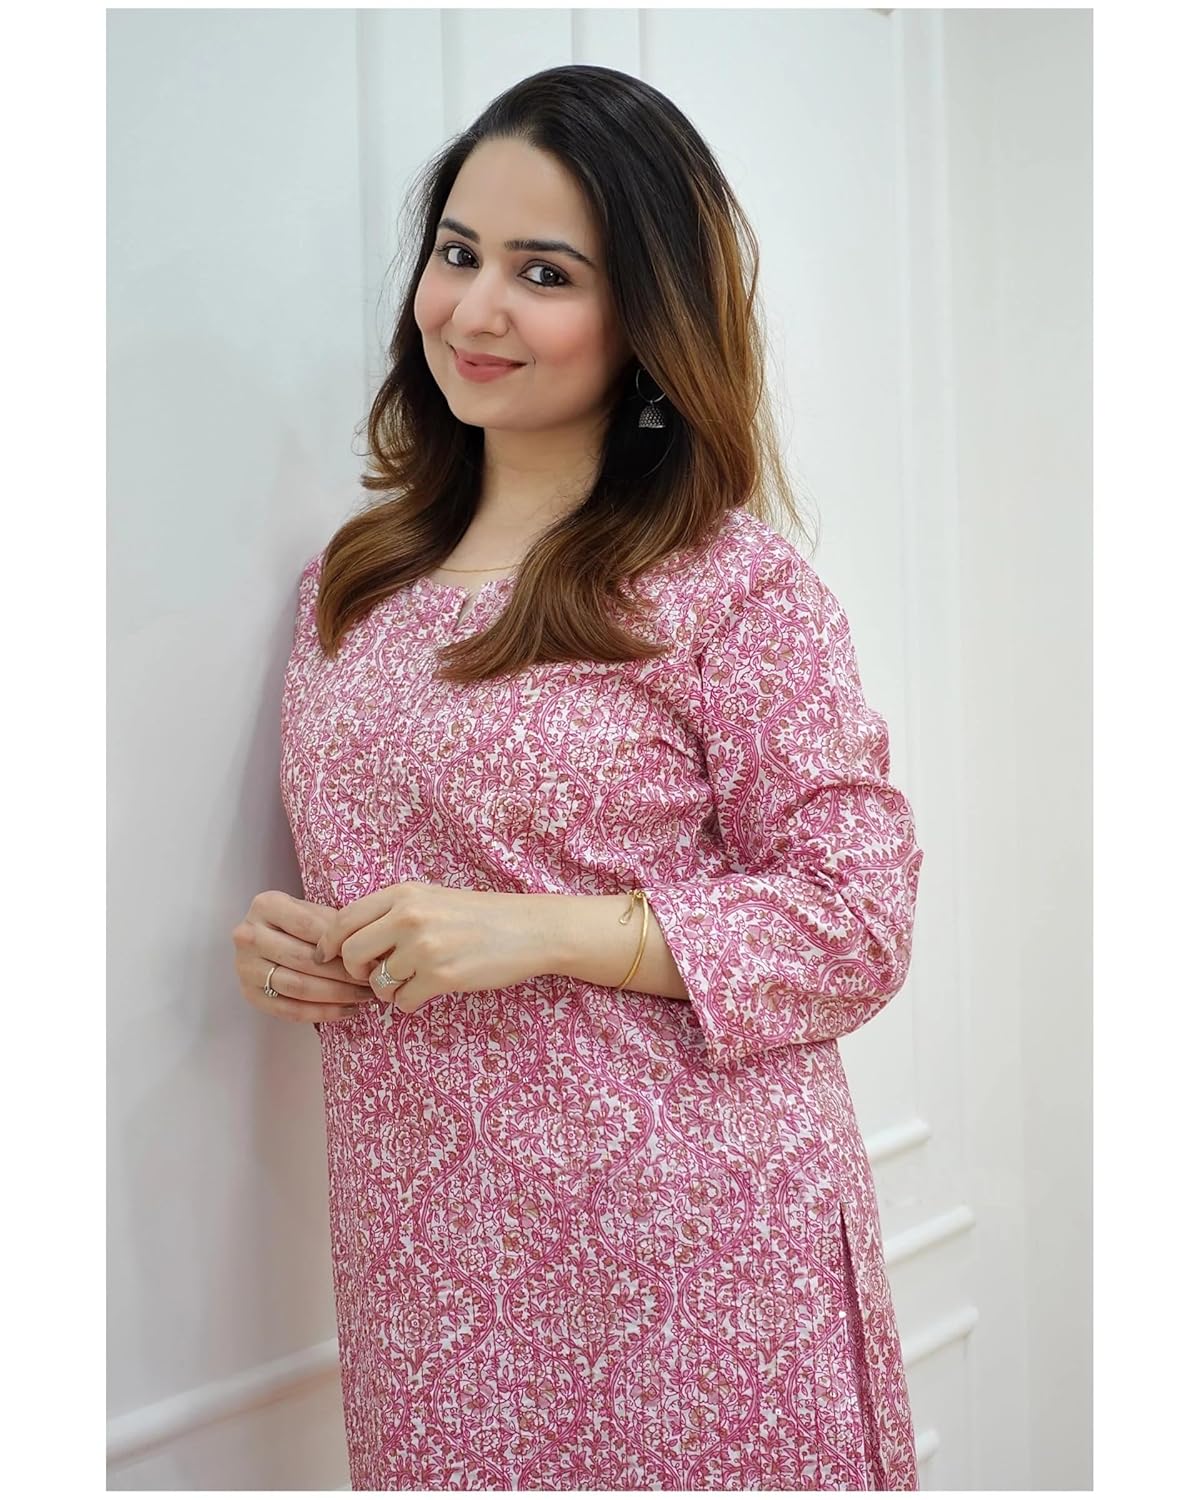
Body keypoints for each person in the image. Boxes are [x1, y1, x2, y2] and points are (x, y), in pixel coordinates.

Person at [232, 64, 925, 1492]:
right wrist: (297, 951)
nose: (474, 310)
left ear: (647, 316)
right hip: (431, 1263)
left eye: (543, 274)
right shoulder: (348, 589)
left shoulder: (730, 587)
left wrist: (541, 931)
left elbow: (859, 921)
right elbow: (400, 892)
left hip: (696, 1261)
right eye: (457, 253)